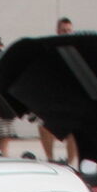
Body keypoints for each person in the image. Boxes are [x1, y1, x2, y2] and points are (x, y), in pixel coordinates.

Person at [37, 19, 80, 166]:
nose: (67, 33)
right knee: (44, 127)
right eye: (64, 30)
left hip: (72, 97)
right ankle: (50, 159)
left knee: (73, 132)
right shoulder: (50, 50)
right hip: (53, 96)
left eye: (69, 30)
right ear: (58, 32)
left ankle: (70, 163)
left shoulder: (76, 50)